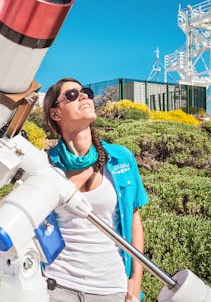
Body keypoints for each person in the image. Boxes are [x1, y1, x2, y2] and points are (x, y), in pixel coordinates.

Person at [42, 78, 149, 302]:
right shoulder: (45, 165)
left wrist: (136, 279)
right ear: (55, 114)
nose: (83, 97)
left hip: (110, 286)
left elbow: (134, 220)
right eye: (71, 95)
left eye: (86, 92)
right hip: (57, 285)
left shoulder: (121, 158)